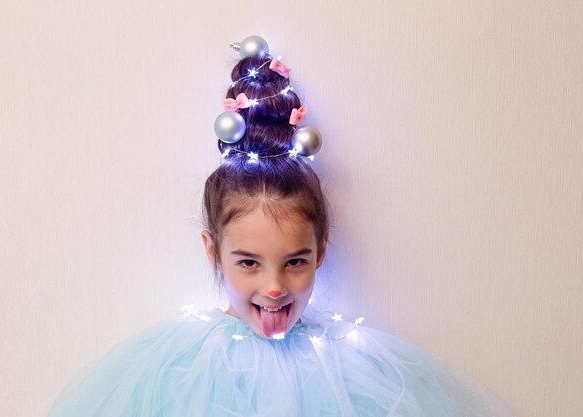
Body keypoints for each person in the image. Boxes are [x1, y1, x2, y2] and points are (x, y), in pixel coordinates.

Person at [47, 36, 518, 417]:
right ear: (213, 251)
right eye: (248, 262)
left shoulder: (349, 373)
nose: (274, 288)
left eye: (295, 261)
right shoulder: (174, 375)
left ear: (322, 248)